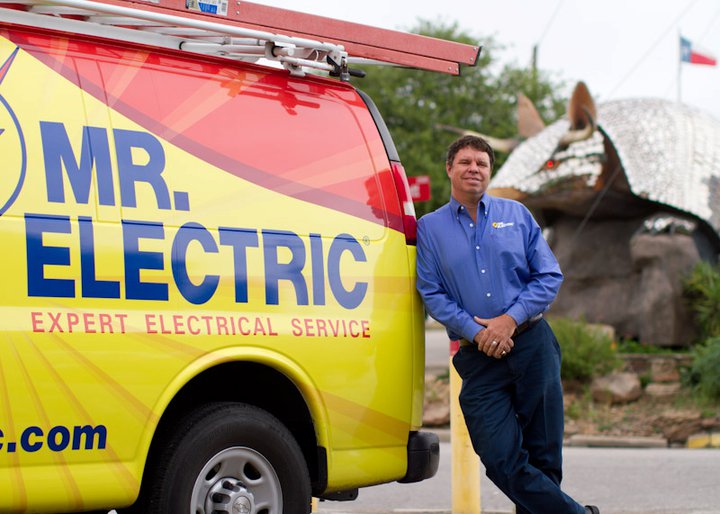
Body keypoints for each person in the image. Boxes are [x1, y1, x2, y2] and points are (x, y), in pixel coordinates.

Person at [416, 134, 599, 514]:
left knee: (544, 455)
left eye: (481, 164)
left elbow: (548, 276)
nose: (474, 169)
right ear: (449, 168)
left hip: (532, 345)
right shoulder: (429, 229)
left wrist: (508, 321)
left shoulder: (517, 215)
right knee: (500, 458)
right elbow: (432, 294)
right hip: (478, 358)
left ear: (490, 172)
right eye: (465, 162)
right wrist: (478, 331)